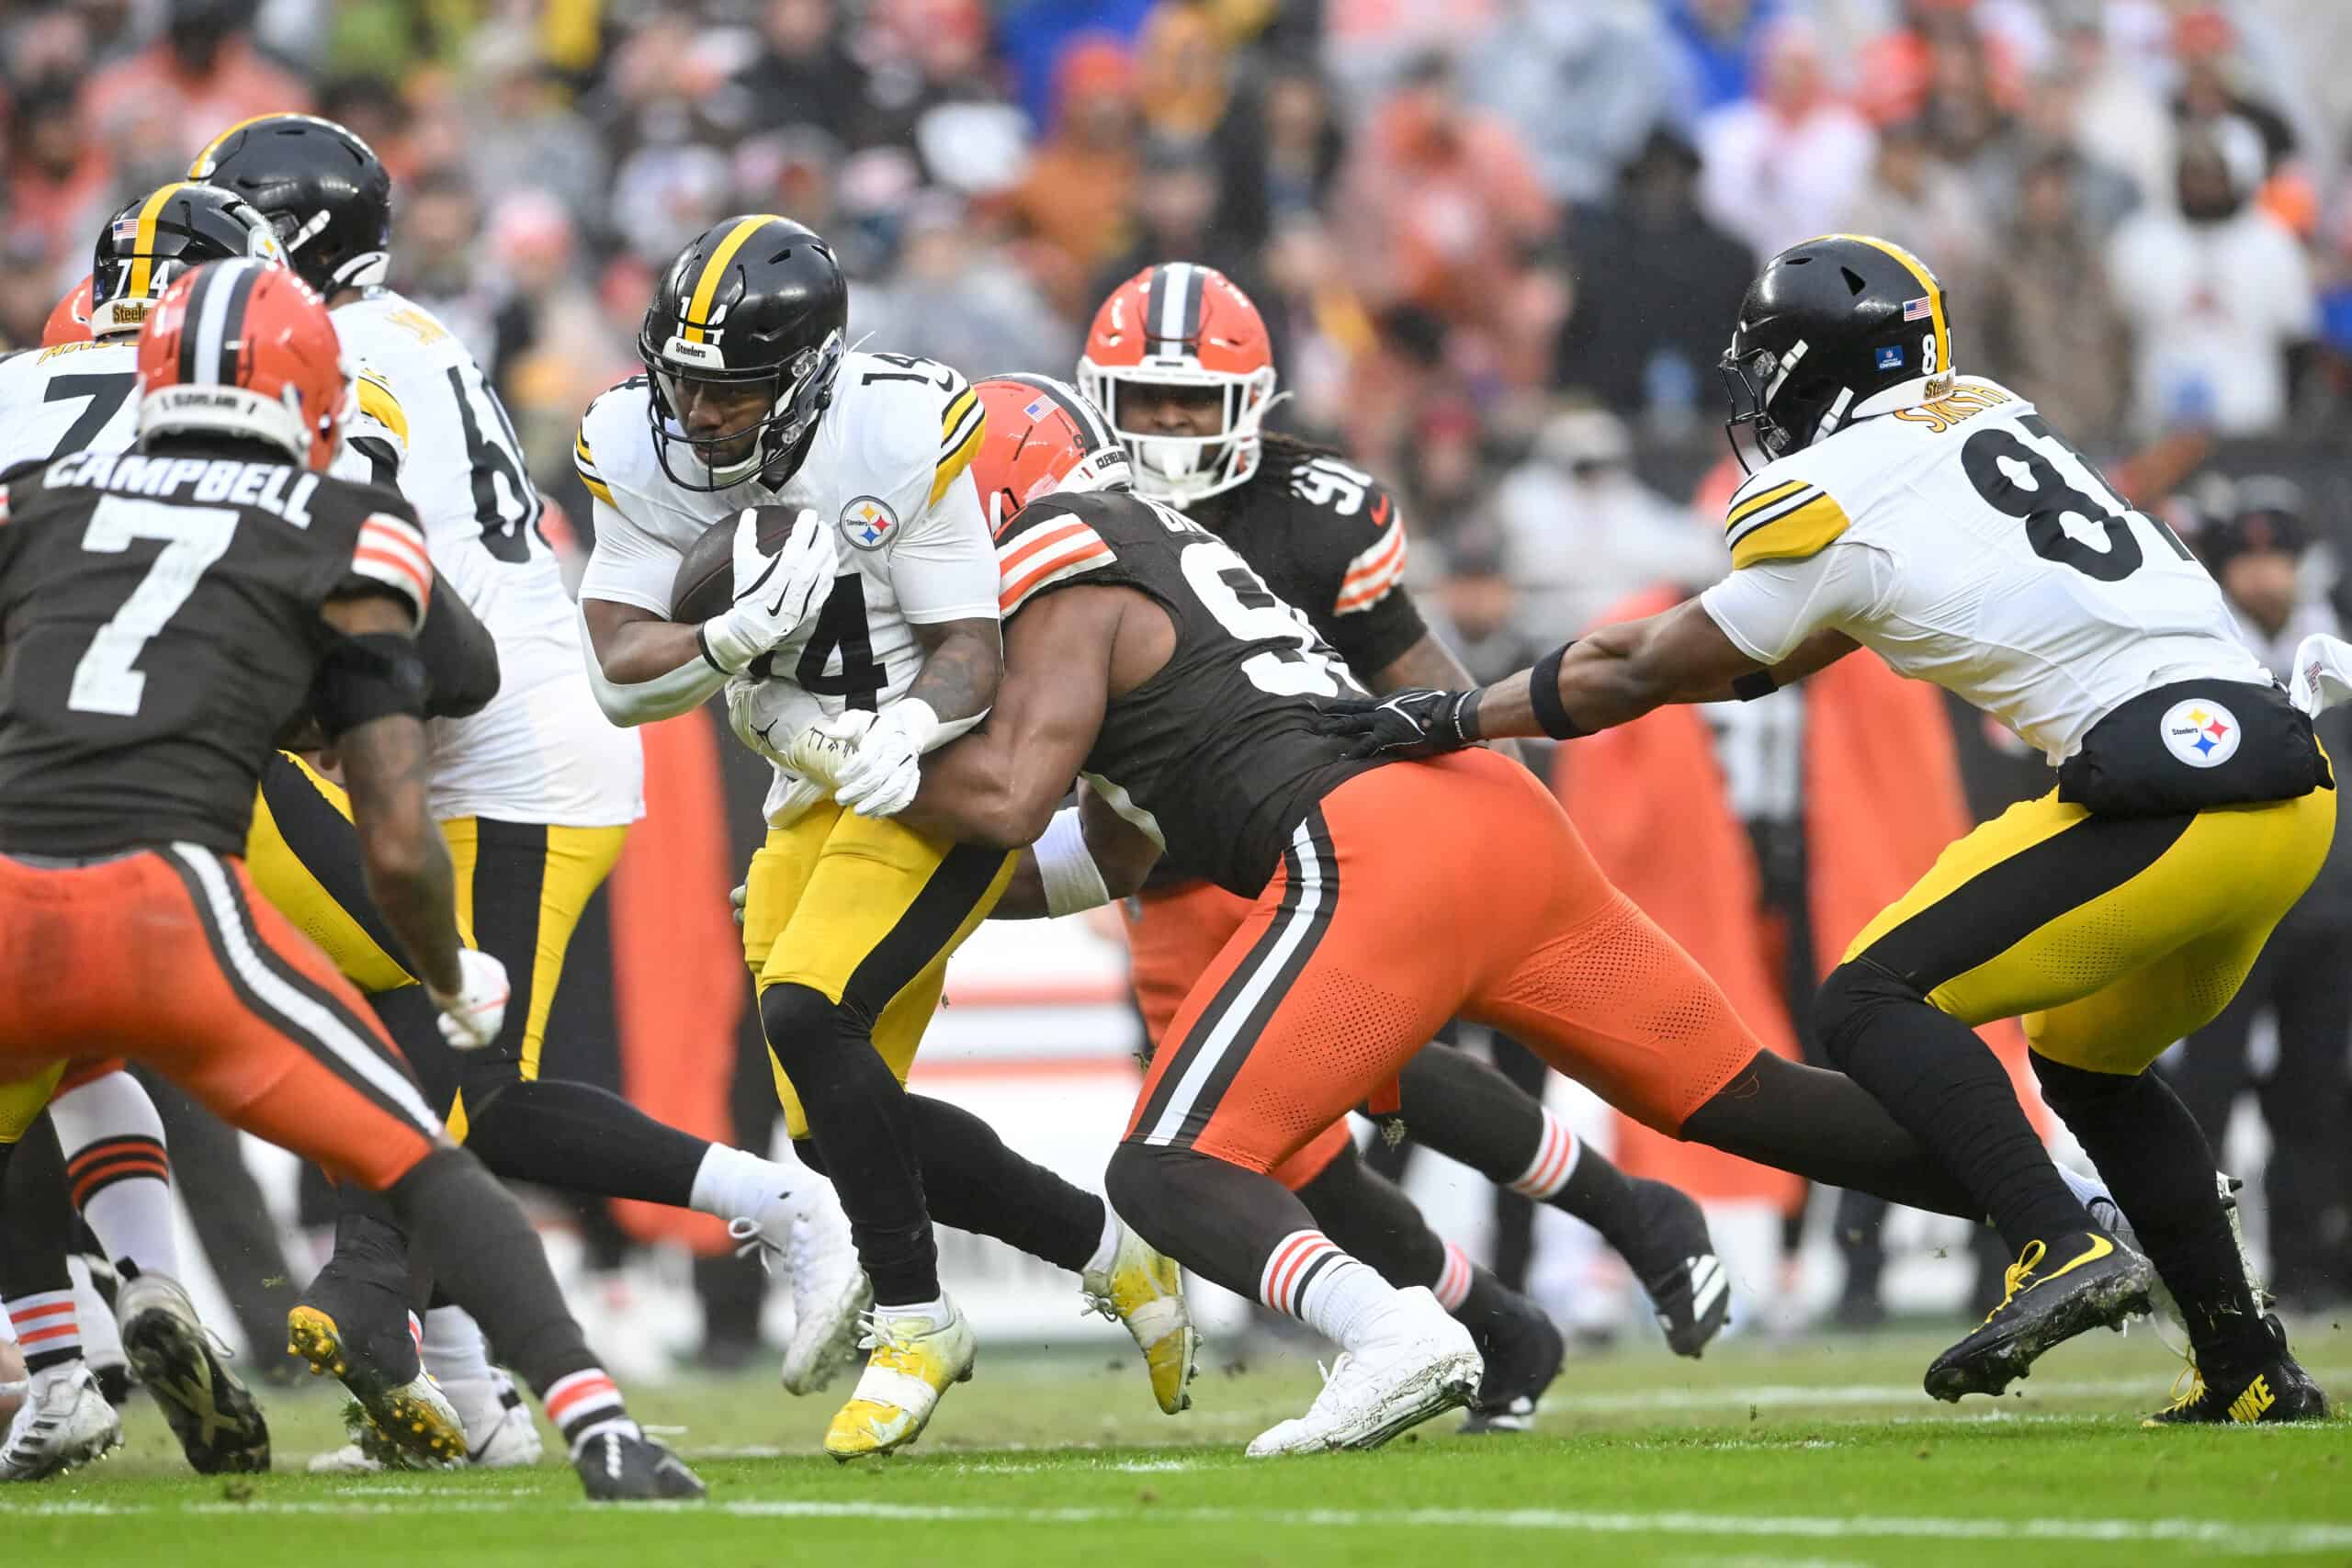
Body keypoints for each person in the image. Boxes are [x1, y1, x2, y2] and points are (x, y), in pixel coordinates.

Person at [775, 372, 2109, 1455]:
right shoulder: (1151, 549)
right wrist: (940, 896)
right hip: (1491, 818)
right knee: (1745, 1092)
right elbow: (1118, 849)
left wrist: (814, 731)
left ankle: (1391, 1330)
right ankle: (2083, 1206)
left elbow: (1007, 793)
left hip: (1378, 845)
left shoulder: (1063, 553)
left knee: (1167, 1169)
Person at [1325, 233, 2332, 1425]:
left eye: (1769, 371)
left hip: (2166, 784)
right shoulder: (1981, 416)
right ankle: (2249, 1366)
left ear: (1819, 367)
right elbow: (1787, 646)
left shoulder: (1839, 484)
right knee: (2086, 1061)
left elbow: (1644, 665)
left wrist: (1456, 711)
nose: (1758, 402)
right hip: (2289, 786)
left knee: (1867, 997)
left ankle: (2055, 1241)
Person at [182, 116, 862, 1468]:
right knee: (391, 1046)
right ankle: (472, 1398)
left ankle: (781, 1206)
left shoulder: (350, 350)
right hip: (456, 738)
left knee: (470, 1089)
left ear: (289, 238)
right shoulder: (392, 333)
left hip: (510, 747)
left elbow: (348, 544)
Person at [0, 256, 700, 1499]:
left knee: (62, 1088)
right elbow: (395, 827)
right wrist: (450, 971)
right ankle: (597, 1424)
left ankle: (60, 1366)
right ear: (317, 390)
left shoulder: (50, 497)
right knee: (417, 1150)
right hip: (169, 901)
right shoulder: (341, 522)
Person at [576, 214, 1193, 1458]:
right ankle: (1105, 1245)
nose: (697, 415)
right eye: (683, 380)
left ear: (806, 376)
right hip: (802, 775)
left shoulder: (899, 426)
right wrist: (729, 643)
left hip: (931, 771)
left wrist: (907, 726)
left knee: (810, 1012)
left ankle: (914, 1321)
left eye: (732, 391)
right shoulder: (630, 444)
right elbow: (617, 670)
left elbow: (971, 641)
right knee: (833, 1118)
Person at [1074, 264, 1728, 1404]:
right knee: (1284, 1153)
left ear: (1251, 406)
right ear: (1098, 399)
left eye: (1193, 403)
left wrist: (1516, 839)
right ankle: (1499, 1322)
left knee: (1373, 1066)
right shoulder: (1065, 515)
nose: (1171, 429)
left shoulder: (1315, 511)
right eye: (1149, 402)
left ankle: (1624, 1215)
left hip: (1323, 836)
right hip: (1173, 870)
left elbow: (1423, 676)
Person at [0, 181, 307, 1481]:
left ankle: (61, 1361)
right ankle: (147, 1285)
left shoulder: (37, 369)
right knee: (84, 1044)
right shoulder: (226, 386)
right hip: (167, 754)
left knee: (39, 1050)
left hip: (26, 728)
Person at [2166, 481, 2352, 1309]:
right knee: (2203, 1090)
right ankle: (2194, 1268)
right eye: (2249, 558)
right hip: (2230, 906)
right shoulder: (2200, 649)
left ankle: (2309, 1263)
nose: (2268, 575)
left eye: (2279, 555)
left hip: (2328, 906)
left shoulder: (2336, 645)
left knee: (2315, 1095)